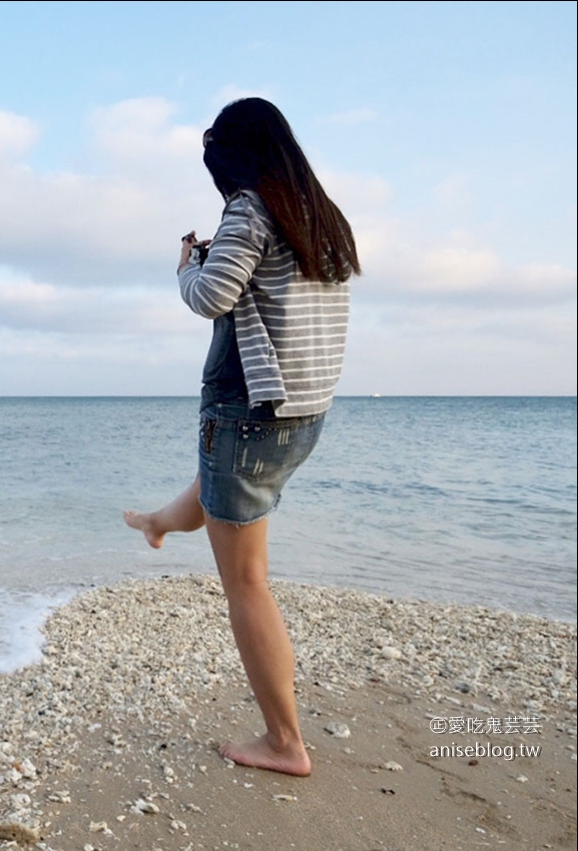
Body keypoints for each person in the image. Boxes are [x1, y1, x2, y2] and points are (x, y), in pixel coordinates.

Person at [123, 98, 360, 777]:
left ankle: (285, 741)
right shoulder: (321, 215)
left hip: (250, 410)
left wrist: (184, 266)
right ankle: (156, 523)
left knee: (247, 580)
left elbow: (210, 297)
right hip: (303, 414)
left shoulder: (250, 209)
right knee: (222, 489)